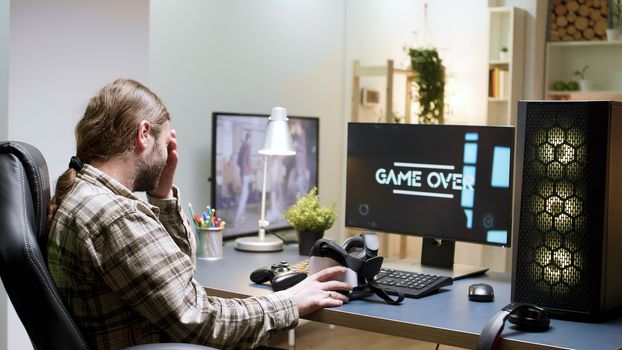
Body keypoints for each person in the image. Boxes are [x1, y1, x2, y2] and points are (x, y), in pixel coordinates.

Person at [46, 79, 351, 350]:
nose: (167, 154)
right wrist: (289, 302)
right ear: (143, 134)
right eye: (166, 143)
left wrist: (162, 195)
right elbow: (202, 321)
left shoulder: (84, 195)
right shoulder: (115, 216)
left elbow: (178, 276)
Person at [234, 132, 252, 223]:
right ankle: (238, 217)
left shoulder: (242, 147)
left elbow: (238, 162)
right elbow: (246, 161)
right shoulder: (247, 147)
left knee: (245, 194)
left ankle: (241, 216)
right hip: (246, 174)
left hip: (242, 173)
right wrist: (249, 171)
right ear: (249, 138)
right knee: (244, 196)